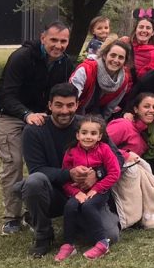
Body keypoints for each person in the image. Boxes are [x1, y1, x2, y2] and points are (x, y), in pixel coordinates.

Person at [17, 83, 121, 258]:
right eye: (58, 105)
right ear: (49, 105)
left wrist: (98, 174)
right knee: (33, 182)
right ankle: (43, 234)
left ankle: (82, 220)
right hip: (55, 192)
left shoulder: (90, 126)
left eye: (70, 105)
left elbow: (117, 158)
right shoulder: (34, 131)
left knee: (111, 236)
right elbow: (37, 169)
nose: (65, 111)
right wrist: (69, 174)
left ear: (77, 104)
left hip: (89, 193)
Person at [0, 22, 73, 236]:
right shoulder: (22, 57)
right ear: (43, 38)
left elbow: (62, 93)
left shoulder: (65, 63)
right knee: (14, 161)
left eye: (63, 41)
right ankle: (12, 218)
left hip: (40, 115)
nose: (58, 45)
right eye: (54, 40)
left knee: (48, 161)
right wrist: (27, 115)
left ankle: (36, 210)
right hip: (8, 113)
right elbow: (7, 94)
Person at [55, 114, 122, 261]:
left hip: (99, 191)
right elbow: (65, 178)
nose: (88, 137)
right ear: (78, 135)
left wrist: (96, 189)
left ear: (100, 136)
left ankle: (102, 243)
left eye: (93, 133)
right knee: (70, 206)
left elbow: (114, 173)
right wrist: (76, 192)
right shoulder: (71, 152)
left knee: (88, 206)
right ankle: (68, 244)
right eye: (84, 133)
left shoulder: (104, 149)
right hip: (77, 192)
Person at [69, 38, 134, 118]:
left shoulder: (123, 81)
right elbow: (70, 99)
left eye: (121, 57)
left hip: (96, 118)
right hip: (74, 113)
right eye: (112, 55)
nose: (116, 60)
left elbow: (109, 109)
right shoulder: (86, 70)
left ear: (125, 61)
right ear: (104, 55)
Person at [106, 92, 154, 163]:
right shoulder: (123, 125)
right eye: (146, 106)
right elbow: (99, 145)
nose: (152, 110)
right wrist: (126, 155)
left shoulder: (148, 131)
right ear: (136, 109)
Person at [128, 10, 154, 78]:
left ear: (153, 32)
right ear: (135, 30)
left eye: (148, 28)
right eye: (141, 27)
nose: (144, 31)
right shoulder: (125, 45)